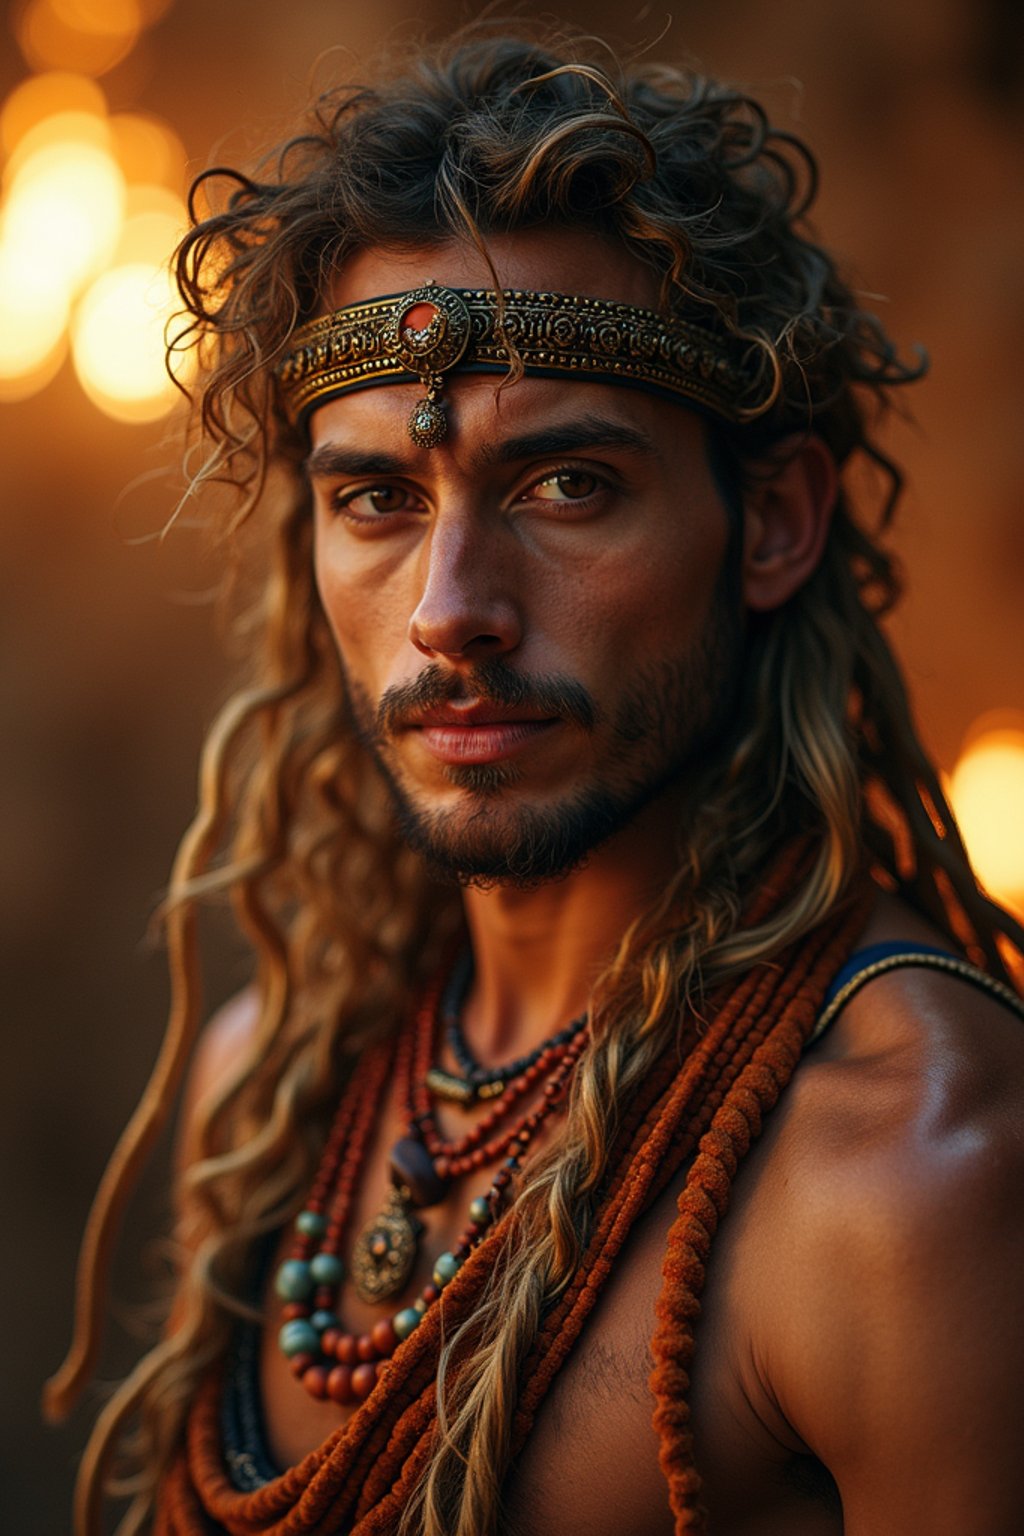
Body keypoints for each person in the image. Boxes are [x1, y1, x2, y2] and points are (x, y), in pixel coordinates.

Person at [46, 28, 1024, 1536]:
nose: (451, 608)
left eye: (568, 484)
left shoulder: (908, 1176)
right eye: (377, 498)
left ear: (772, 526)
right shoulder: (270, 1087)